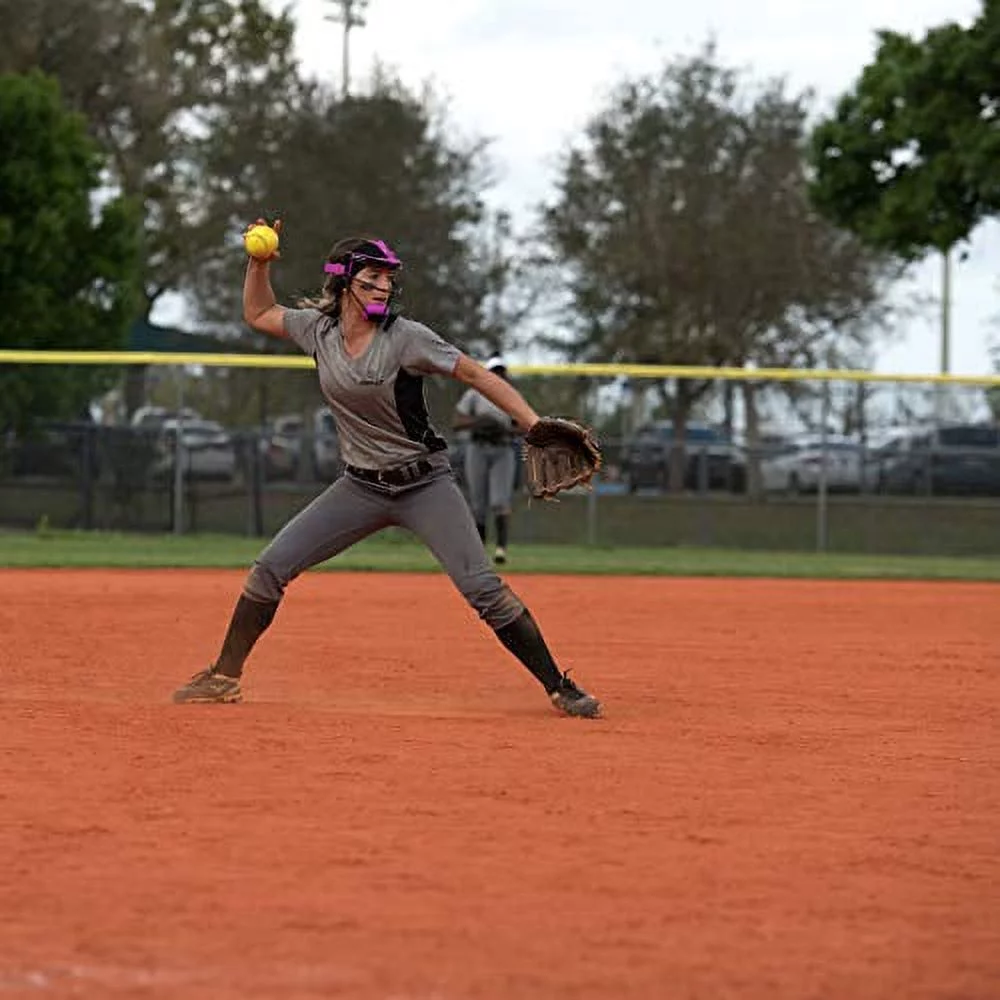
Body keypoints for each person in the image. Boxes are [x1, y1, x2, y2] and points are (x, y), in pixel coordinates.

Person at [172, 221, 602, 719]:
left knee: (483, 588)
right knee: (269, 569)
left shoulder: (405, 338)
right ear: (343, 281)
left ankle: (559, 686)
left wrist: (531, 424)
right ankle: (225, 677)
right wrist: (259, 263)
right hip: (359, 486)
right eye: (372, 277)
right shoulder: (319, 332)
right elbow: (259, 311)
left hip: (425, 483)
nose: (383, 287)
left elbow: (474, 373)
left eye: (387, 279)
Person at [453, 356, 518, 565]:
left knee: (500, 501)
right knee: (478, 504)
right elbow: (458, 422)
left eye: (501, 371)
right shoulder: (474, 394)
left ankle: (501, 549)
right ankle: (479, 553)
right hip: (478, 448)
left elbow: (524, 426)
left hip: (503, 449)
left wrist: (503, 429)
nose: (498, 375)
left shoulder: (511, 396)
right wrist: (478, 422)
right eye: (494, 371)